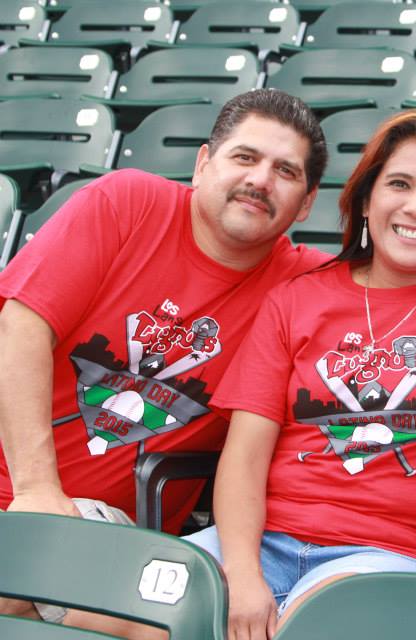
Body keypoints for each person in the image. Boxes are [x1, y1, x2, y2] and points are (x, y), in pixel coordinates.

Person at [183, 107, 416, 639]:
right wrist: (240, 575)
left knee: (311, 629)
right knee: (120, 611)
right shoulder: (297, 299)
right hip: (258, 540)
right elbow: (244, 455)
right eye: (398, 184)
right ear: (365, 199)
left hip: (389, 556)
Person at [0, 89, 328, 621]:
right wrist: (37, 490)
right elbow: (21, 324)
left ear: (307, 203)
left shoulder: (305, 288)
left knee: (17, 576)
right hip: (35, 492)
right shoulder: (127, 203)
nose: (260, 180)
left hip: (108, 530)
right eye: (244, 158)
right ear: (203, 164)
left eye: (285, 172)